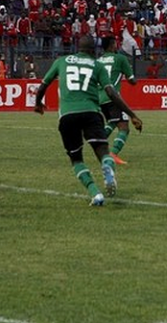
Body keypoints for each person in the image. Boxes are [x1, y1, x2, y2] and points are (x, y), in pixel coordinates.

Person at [34, 36, 143, 206]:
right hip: (92, 113)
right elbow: (111, 92)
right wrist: (132, 114)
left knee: (76, 159)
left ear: (78, 48)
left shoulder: (61, 61)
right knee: (103, 152)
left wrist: (38, 103)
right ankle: (107, 167)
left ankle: (96, 193)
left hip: (68, 116)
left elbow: (43, 86)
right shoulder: (97, 65)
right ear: (93, 51)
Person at [98, 37, 138, 165]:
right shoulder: (120, 58)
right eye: (115, 43)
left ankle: (98, 141)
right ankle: (113, 153)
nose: (117, 45)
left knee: (113, 122)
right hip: (113, 96)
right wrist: (127, 71)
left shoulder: (98, 61)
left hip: (99, 97)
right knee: (124, 128)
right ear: (112, 45)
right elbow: (132, 81)